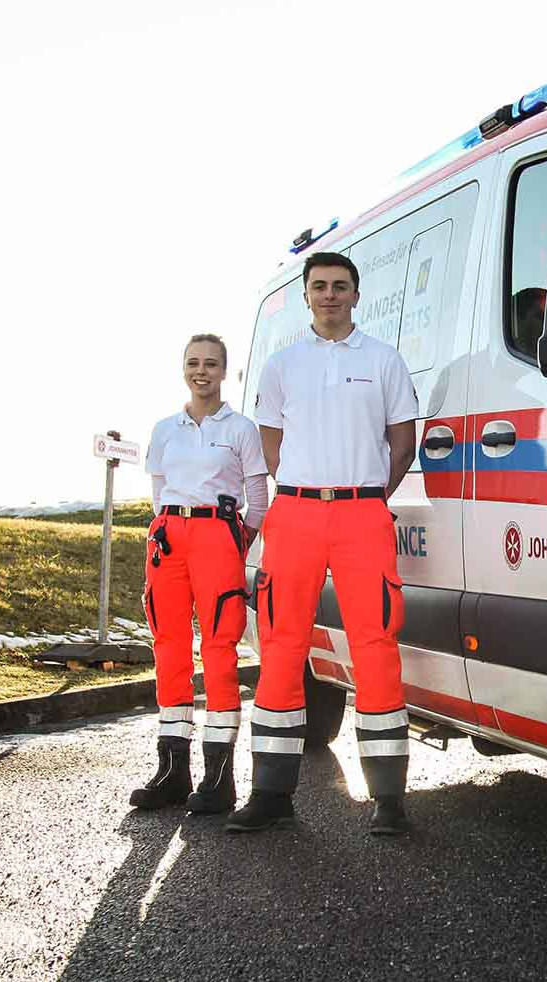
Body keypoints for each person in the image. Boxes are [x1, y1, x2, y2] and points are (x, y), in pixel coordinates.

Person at [227, 251, 419, 836]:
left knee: (375, 645)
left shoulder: (383, 360)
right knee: (282, 644)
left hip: (363, 514)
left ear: (356, 295)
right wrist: (305, 488)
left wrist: (365, 494)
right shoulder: (283, 365)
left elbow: (402, 443)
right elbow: (270, 444)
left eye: (340, 286)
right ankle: (270, 794)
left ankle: (389, 800)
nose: (329, 294)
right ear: (307, 296)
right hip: (296, 515)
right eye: (319, 286)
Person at [132, 333, 268, 814]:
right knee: (168, 645)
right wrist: (172, 528)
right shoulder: (165, 429)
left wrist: (236, 541)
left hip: (219, 535)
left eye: (211, 363)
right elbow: (159, 491)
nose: (201, 371)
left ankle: (218, 779)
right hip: (169, 538)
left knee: (218, 647)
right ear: (183, 369)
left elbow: (258, 497)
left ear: (224, 371)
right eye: (193, 363)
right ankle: (172, 772)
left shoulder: (241, 429)